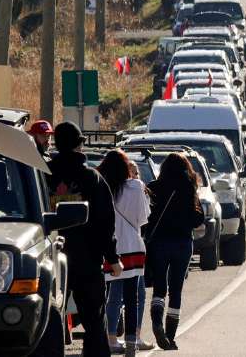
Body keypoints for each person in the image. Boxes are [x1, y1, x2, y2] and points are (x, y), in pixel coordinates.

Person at [48, 122, 122, 357]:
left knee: (49, 321)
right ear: (80, 146)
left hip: (47, 258)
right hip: (87, 260)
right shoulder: (92, 178)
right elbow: (105, 222)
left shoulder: (42, 176)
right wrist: (112, 257)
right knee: (93, 321)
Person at [144, 153, 204, 351]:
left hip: (159, 243)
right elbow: (198, 219)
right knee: (176, 289)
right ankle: (170, 336)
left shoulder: (153, 187)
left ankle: (156, 322)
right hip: (182, 243)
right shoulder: (189, 187)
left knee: (159, 286)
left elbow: (146, 218)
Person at [98, 151, 151, 356]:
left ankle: (111, 337)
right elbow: (142, 218)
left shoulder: (101, 185)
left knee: (111, 295)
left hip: (109, 247)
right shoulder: (136, 187)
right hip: (133, 246)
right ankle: (131, 342)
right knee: (133, 297)